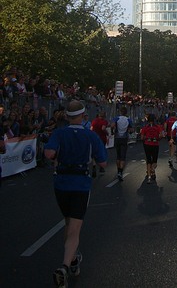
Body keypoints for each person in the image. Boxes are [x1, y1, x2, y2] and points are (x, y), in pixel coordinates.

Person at [44, 100, 107, 288]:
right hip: (80, 183)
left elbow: (48, 153)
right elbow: (103, 163)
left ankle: (72, 260)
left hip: (61, 182)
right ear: (83, 116)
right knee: (74, 229)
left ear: (67, 116)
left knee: (68, 222)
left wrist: (57, 156)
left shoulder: (59, 133)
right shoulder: (90, 136)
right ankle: (64, 266)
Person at [140, 113, 163, 183]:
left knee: (148, 160)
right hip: (155, 144)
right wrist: (157, 138)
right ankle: (152, 170)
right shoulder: (158, 127)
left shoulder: (145, 127)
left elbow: (142, 137)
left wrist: (146, 138)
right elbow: (161, 136)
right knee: (154, 160)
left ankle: (149, 176)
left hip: (147, 144)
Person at [111, 106, 132, 181]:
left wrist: (112, 131)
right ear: (126, 112)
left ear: (120, 112)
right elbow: (131, 129)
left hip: (117, 138)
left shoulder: (117, 118)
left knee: (118, 155)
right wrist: (129, 130)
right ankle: (120, 172)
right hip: (124, 138)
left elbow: (112, 125)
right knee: (123, 156)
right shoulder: (128, 119)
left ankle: (118, 170)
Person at [90, 111, 109, 177]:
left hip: (94, 138)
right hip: (101, 138)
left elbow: (91, 129)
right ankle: (101, 167)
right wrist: (106, 133)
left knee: (94, 152)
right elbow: (103, 128)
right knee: (101, 152)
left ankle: (94, 166)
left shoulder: (94, 121)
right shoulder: (104, 121)